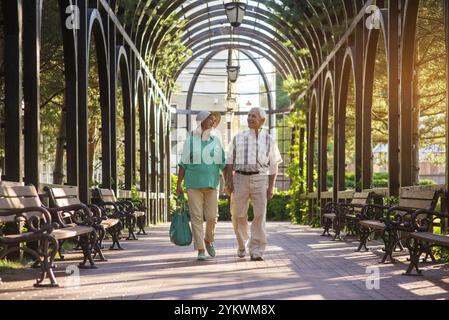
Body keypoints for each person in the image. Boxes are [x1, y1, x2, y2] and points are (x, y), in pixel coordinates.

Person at [225, 107, 283, 261]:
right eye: (249, 115)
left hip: (260, 178)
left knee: (259, 216)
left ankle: (256, 250)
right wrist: (229, 181)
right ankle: (242, 242)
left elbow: (274, 165)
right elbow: (229, 160)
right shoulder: (238, 138)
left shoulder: (269, 140)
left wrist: (271, 187)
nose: (250, 118)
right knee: (238, 214)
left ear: (262, 121)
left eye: (254, 116)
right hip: (239, 179)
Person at [177, 111, 225, 261]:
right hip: (193, 184)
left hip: (212, 184)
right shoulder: (190, 141)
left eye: (214, 119)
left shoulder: (216, 141)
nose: (213, 121)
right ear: (201, 121)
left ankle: (208, 240)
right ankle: (200, 249)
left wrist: (228, 182)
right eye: (210, 118)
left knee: (211, 217)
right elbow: (183, 164)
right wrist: (178, 184)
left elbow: (222, 163)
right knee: (196, 217)